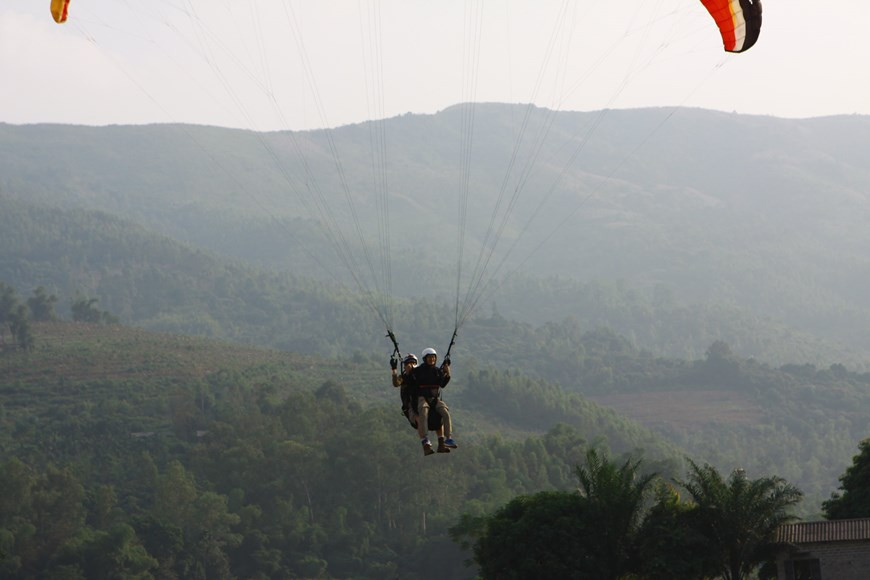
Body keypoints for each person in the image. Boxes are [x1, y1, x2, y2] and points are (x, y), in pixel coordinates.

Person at [392, 354, 450, 454]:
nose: (411, 365)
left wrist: (444, 372)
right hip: (411, 407)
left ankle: (441, 443)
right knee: (419, 418)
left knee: (438, 417)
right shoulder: (404, 377)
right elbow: (396, 383)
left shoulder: (419, 375)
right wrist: (394, 370)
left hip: (424, 402)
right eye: (408, 363)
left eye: (413, 363)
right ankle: (425, 443)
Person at [406, 347, 457, 456]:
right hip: (422, 398)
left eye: (433, 357)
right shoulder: (418, 371)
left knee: (445, 412)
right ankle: (425, 439)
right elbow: (410, 382)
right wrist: (410, 372)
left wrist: (447, 374)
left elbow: (442, 384)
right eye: (429, 358)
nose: (432, 359)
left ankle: (448, 438)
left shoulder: (437, 371)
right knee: (423, 411)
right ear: (425, 359)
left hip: (434, 399)